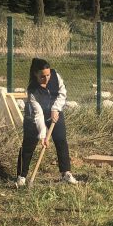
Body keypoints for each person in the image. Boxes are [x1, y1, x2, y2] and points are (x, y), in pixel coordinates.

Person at [16, 58, 78, 186]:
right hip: (34, 117)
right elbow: (38, 115)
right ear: (35, 74)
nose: (46, 79)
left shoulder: (55, 75)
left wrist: (55, 109)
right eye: (42, 77)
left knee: (61, 140)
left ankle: (66, 173)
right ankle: (21, 176)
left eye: (48, 75)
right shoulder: (32, 90)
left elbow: (62, 93)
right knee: (28, 145)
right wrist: (43, 136)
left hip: (55, 111)